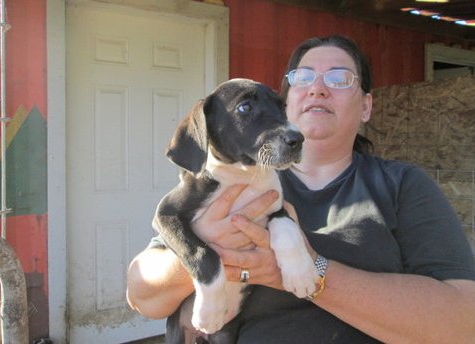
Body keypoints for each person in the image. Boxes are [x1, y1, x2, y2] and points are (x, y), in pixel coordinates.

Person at [126, 35, 475, 343]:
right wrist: (212, 250)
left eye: (340, 78)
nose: (318, 88)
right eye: (303, 77)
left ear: (366, 106)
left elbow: (463, 325)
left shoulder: (402, 186)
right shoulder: (233, 178)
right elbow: (142, 296)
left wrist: (315, 271)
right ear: (287, 102)